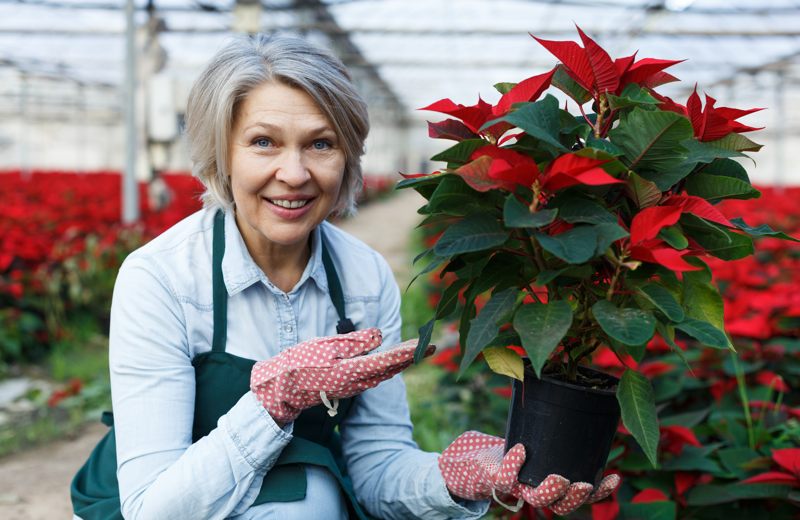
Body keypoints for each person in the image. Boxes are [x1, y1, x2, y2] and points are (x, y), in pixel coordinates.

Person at [71, 34, 618, 519]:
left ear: (348, 157)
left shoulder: (361, 275)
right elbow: (154, 509)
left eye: (321, 143)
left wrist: (451, 478)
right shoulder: (160, 279)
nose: (295, 173)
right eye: (263, 142)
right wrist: (271, 405)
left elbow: (376, 465)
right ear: (222, 155)